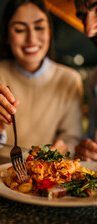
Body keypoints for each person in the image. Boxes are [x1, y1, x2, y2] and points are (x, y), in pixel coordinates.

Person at [0, 0, 83, 163]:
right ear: (7, 36)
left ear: (50, 32)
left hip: (48, 173)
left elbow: (72, 138)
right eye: (20, 29)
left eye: (39, 27)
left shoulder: (69, 79)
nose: (31, 38)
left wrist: (58, 151)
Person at [74, 0, 97, 161]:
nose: (88, 30)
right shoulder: (95, 79)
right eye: (82, 17)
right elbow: (91, 135)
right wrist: (86, 150)